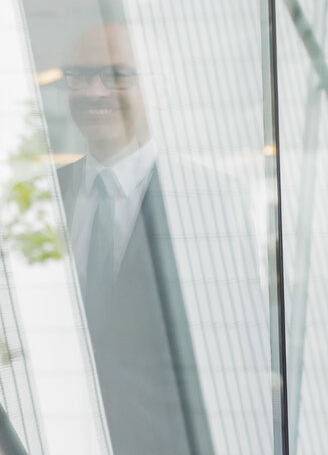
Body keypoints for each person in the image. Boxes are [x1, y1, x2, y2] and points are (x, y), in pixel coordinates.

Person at [58, 23, 212, 453]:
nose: (93, 91)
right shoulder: (38, 201)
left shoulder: (205, 200)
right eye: (80, 75)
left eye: (117, 75)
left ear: (159, 90)